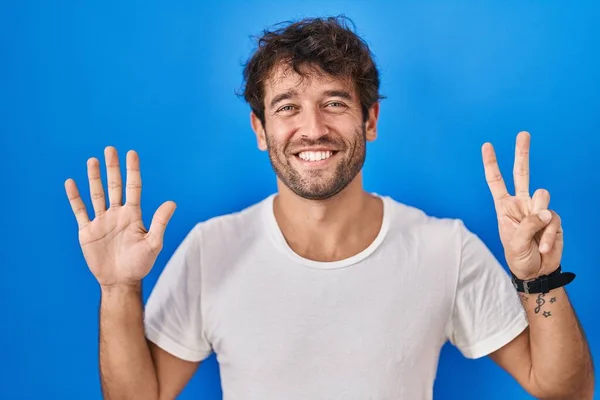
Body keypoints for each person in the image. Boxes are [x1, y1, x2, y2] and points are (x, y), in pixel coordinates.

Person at [65, 16, 594, 400]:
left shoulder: (445, 247)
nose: (312, 128)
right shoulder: (211, 248)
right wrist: (118, 290)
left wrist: (542, 280)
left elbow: (563, 390)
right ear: (260, 130)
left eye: (334, 103)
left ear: (370, 121)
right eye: (287, 107)